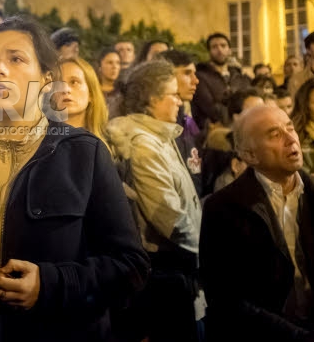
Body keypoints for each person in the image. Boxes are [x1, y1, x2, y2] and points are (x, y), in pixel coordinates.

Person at [0, 17, 149, 342]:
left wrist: (50, 284)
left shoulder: (84, 155)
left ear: (46, 79)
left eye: (16, 58)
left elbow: (131, 265)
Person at [200, 105, 314, 342]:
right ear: (249, 155)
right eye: (274, 134)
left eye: (290, 128)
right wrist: (300, 337)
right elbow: (226, 298)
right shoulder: (223, 209)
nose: (291, 138)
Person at [107, 59, 204, 342]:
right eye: (172, 94)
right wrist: (205, 250)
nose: (179, 101)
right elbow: (170, 219)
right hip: (167, 270)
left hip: (182, 265)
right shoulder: (145, 146)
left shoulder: (161, 136)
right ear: (151, 100)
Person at [159, 50, 203, 196]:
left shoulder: (185, 120)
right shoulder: (159, 126)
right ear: (167, 77)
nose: (195, 80)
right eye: (187, 73)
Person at [192, 32, 251, 130]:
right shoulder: (201, 77)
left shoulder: (238, 76)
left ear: (229, 50)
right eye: (214, 47)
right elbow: (211, 109)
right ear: (209, 51)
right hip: (216, 130)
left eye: (223, 46)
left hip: (245, 126)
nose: (219, 50)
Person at [55, 57, 111, 151]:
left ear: (91, 93)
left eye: (74, 82)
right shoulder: (36, 148)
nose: (65, 89)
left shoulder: (114, 147)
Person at [97, 47, 124, 118]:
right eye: (110, 63)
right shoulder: (91, 90)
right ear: (100, 66)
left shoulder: (124, 90)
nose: (114, 67)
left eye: (118, 63)